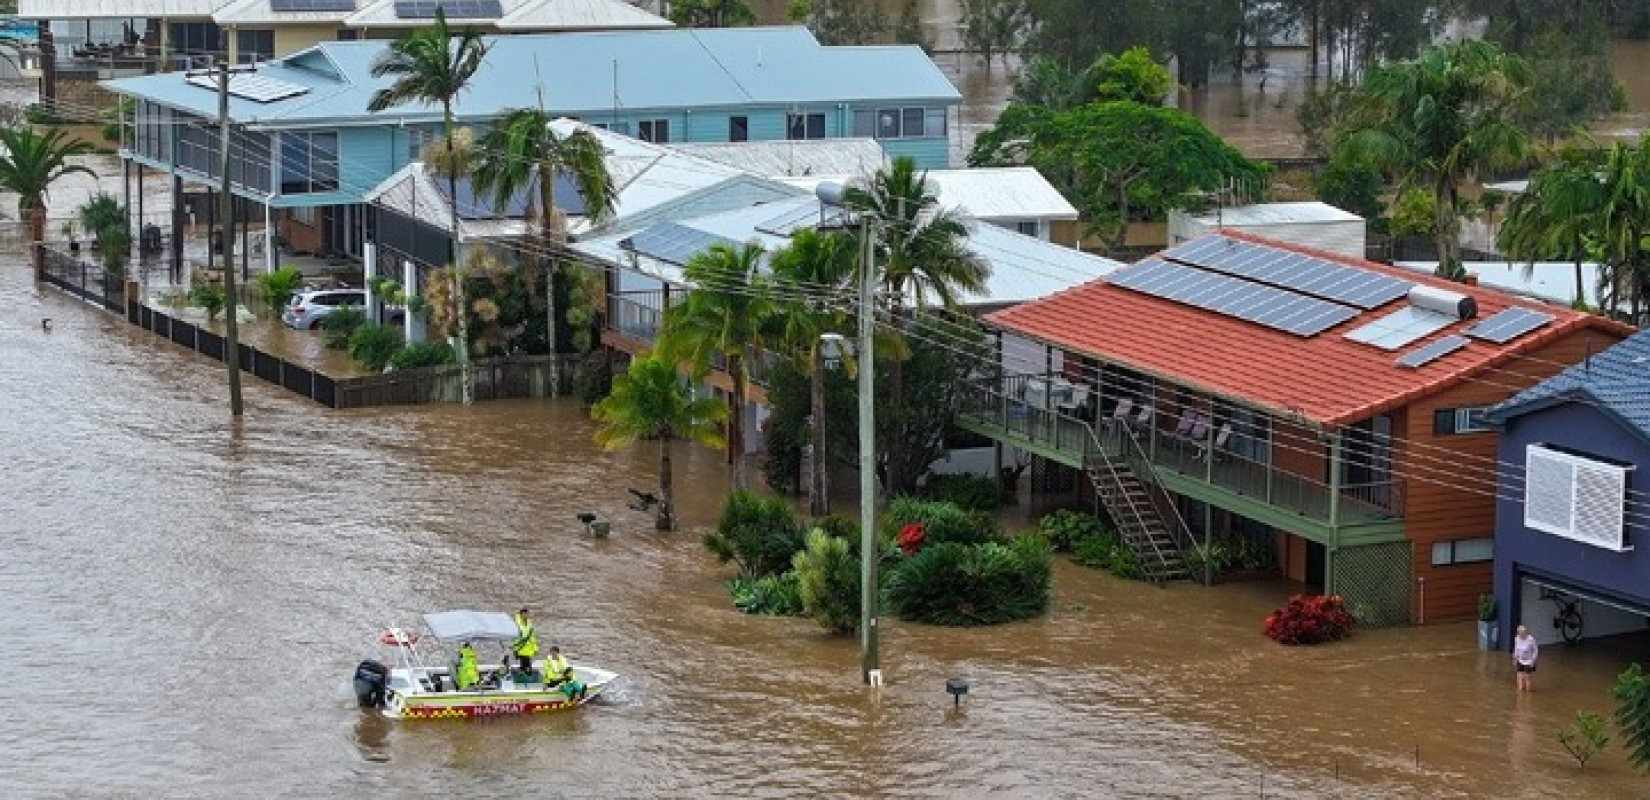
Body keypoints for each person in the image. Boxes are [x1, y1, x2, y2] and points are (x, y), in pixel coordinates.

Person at [512, 607, 540, 675]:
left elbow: (532, 637)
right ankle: (524, 678)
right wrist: (515, 649)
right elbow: (514, 637)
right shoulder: (517, 623)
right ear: (521, 614)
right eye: (524, 614)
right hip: (521, 648)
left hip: (528, 649)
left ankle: (525, 676)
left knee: (527, 667)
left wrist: (535, 648)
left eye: (527, 614)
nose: (526, 615)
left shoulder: (529, 624)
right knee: (526, 667)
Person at [1513, 624, 1539, 692]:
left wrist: (1533, 661)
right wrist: (1515, 658)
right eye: (1521, 633)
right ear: (1518, 633)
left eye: (1524, 633)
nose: (1522, 635)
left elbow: (1535, 650)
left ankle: (1528, 692)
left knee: (1527, 677)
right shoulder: (1517, 638)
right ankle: (1520, 691)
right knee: (1519, 676)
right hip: (1520, 660)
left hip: (1529, 661)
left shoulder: (1531, 639)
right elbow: (1516, 649)